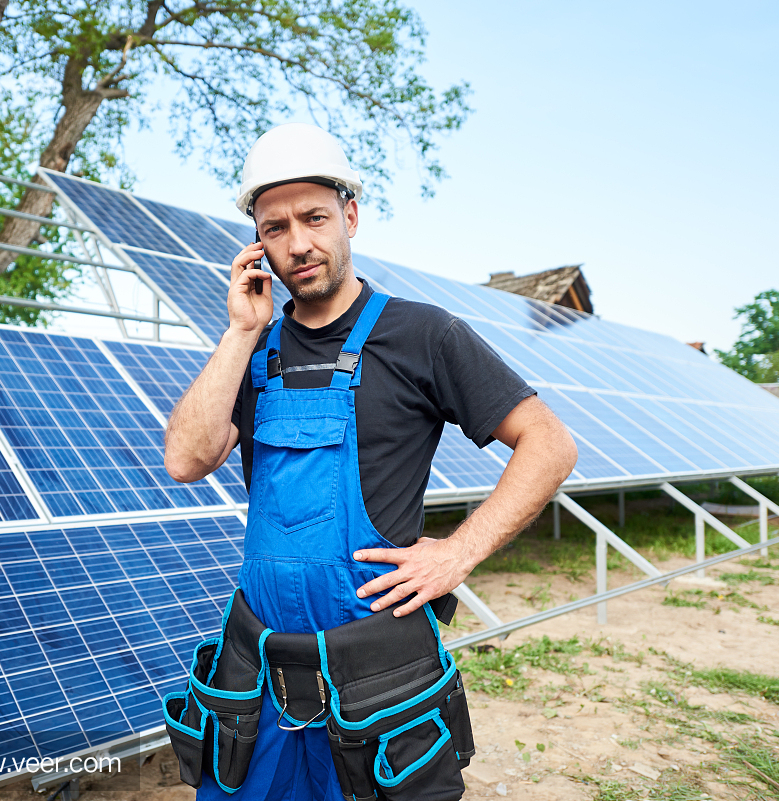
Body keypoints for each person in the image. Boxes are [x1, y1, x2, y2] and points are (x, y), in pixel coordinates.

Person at [163, 123, 577, 801]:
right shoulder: (254, 349)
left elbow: (550, 442)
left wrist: (457, 553)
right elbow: (187, 457)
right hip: (257, 680)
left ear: (350, 215)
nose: (298, 242)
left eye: (315, 217)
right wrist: (240, 330)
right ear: (257, 243)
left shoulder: (423, 334)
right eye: (275, 227)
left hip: (378, 689)